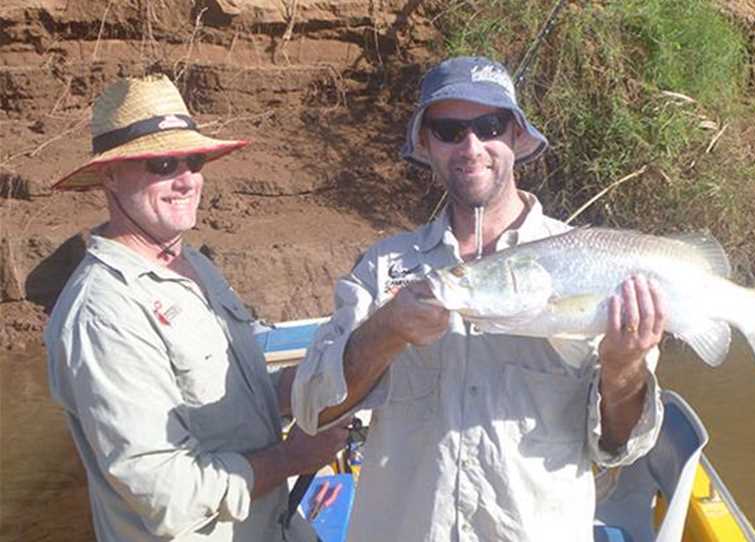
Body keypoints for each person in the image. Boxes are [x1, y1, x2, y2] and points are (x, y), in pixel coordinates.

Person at [291, 56, 667, 541]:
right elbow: (311, 411)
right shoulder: (384, 268)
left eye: (490, 125)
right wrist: (386, 331)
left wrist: (624, 370)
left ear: (515, 136)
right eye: (448, 130)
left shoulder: (595, 261)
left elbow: (621, 447)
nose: (471, 146)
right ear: (425, 145)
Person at [44, 74, 348, 541]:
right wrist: (292, 458)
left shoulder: (196, 267)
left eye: (194, 159)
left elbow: (229, 397)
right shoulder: (102, 314)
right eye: (163, 163)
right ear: (109, 175)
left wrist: (312, 384)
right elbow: (169, 492)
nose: (186, 179)